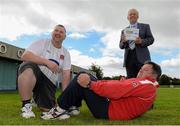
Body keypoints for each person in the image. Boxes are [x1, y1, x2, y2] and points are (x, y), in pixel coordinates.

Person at [41, 61, 161, 120]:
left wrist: (91, 84)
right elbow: (122, 87)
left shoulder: (147, 84)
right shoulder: (149, 86)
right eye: (141, 68)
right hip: (111, 106)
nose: (140, 71)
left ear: (154, 75)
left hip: (108, 110)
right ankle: (72, 106)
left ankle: (59, 110)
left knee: (81, 77)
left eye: (144, 70)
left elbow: (118, 89)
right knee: (85, 76)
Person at [18, 24, 74, 118]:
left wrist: (64, 97)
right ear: (52, 33)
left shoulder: (66, 53)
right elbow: (25, 56)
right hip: (35, 74)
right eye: (56, 30)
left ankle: (36, 100)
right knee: (28, 65)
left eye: (61, 32)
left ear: (65, 36)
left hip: (48, 82)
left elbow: (66, 74)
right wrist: (46, 62)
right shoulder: (42, 42)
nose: (58, 33)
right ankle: (26, 106)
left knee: (48, 109)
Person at [119, 8, 154, 78]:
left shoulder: (145, 26)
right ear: (127, 17)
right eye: (130, 14)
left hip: (142, 59)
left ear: (137, 16)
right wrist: (123, 41)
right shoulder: (124, 30)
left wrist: (141, 41)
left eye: (134, 14)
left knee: (143, 81)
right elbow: (121, 46)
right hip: (129, 59)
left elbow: (151, 39)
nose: (132, 15)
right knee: (131, 82)